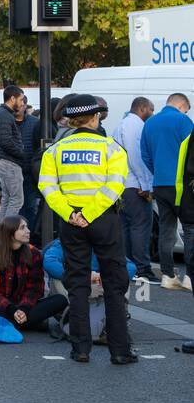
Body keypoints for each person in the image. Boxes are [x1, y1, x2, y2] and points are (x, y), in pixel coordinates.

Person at [38, 93, 135, 364]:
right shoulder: (111, 148)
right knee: (114, 284)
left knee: (76, 284)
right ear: (95, 118)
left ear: (70, 120)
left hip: (70, 222)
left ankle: (80, 348)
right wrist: (90, 214)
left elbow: (47, 186)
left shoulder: (55, 150)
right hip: (104, 219)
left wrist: (72, 214)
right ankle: (120, 351)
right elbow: (114, 186)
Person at [0, 215, 68, 333]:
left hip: (22, 305)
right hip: (0, 306)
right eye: (22, 228)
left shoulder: (33, 253)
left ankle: (13, 323)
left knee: (60, 300)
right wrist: (12, 310)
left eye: (27, 227)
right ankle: (27, 323)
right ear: (10, 232)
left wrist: (23, 308)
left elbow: (36, 288)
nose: (28, 231)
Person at [140, 92, 192, 291]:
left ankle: (168, 275)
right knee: (190, 229)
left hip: (160, 184)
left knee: (166, 230)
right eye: (186, 109)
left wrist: (158, 172)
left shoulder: (150, 123)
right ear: (181, 106)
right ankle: (189, 277)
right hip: (182, 185)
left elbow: (144, 154)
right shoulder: (183, 121)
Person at [43, 234, 136, 343]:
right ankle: (73, 318)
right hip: (75, 290)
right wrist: (83, 278)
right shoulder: (65, 241)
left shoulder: (105, 243)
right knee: (57, 279)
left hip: (100, 288)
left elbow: (130, 267)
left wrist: (102, 278)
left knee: (122, 279)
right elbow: (49, 262)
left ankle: (118, 317)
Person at [113, 96, 156, 282]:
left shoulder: (120, 125)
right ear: (143, 108)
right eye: (151, 110)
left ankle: (128, 267)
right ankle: (142, 269)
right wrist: (145, 185)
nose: (152, 114)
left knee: (125, 228)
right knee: (140, 227)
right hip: (134, 185)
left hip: (121, 185)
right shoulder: (135, 126)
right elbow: (136, 157)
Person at [0, 86, 27, 223]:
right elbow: (6, 141)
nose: (23, 103)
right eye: (21, 99)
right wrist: (21, 154)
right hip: (10, 162)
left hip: (5, 161)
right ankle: (7, 235)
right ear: (12, 99)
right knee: (16, 200)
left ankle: (3, 235)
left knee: (7, 199)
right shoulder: (5, 115)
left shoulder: (0, 113)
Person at [17, 97, 42, 234]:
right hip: (15, 171)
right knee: (18, 207)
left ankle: (29, 235)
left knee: (30, 207)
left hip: (30, 172)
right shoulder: (8, 121)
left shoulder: (34, 123)